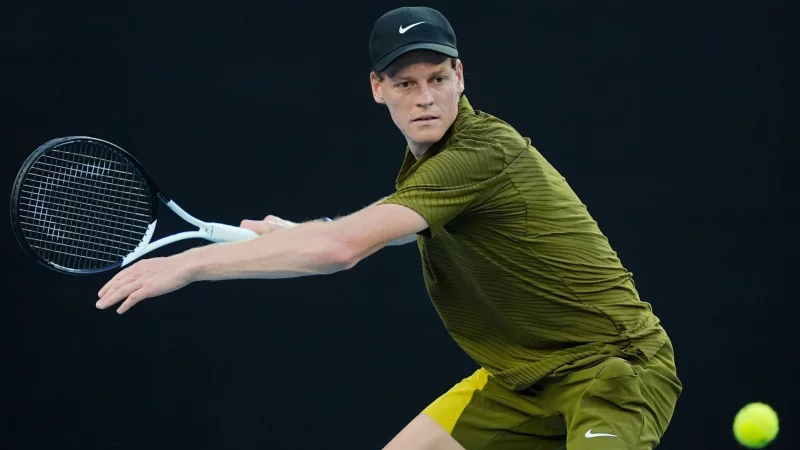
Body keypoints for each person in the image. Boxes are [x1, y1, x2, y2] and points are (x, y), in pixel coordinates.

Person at [96, 6, 682, 450]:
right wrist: (300, 229)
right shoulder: (427, 166)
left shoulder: (485, 149)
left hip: (613, 371)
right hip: (518, 378)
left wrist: (189, 264)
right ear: (378, 89)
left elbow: (342, 248)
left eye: (436, 78)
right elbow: (389, 227)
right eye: (405, 83)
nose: (424, 97)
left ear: (460, 75)